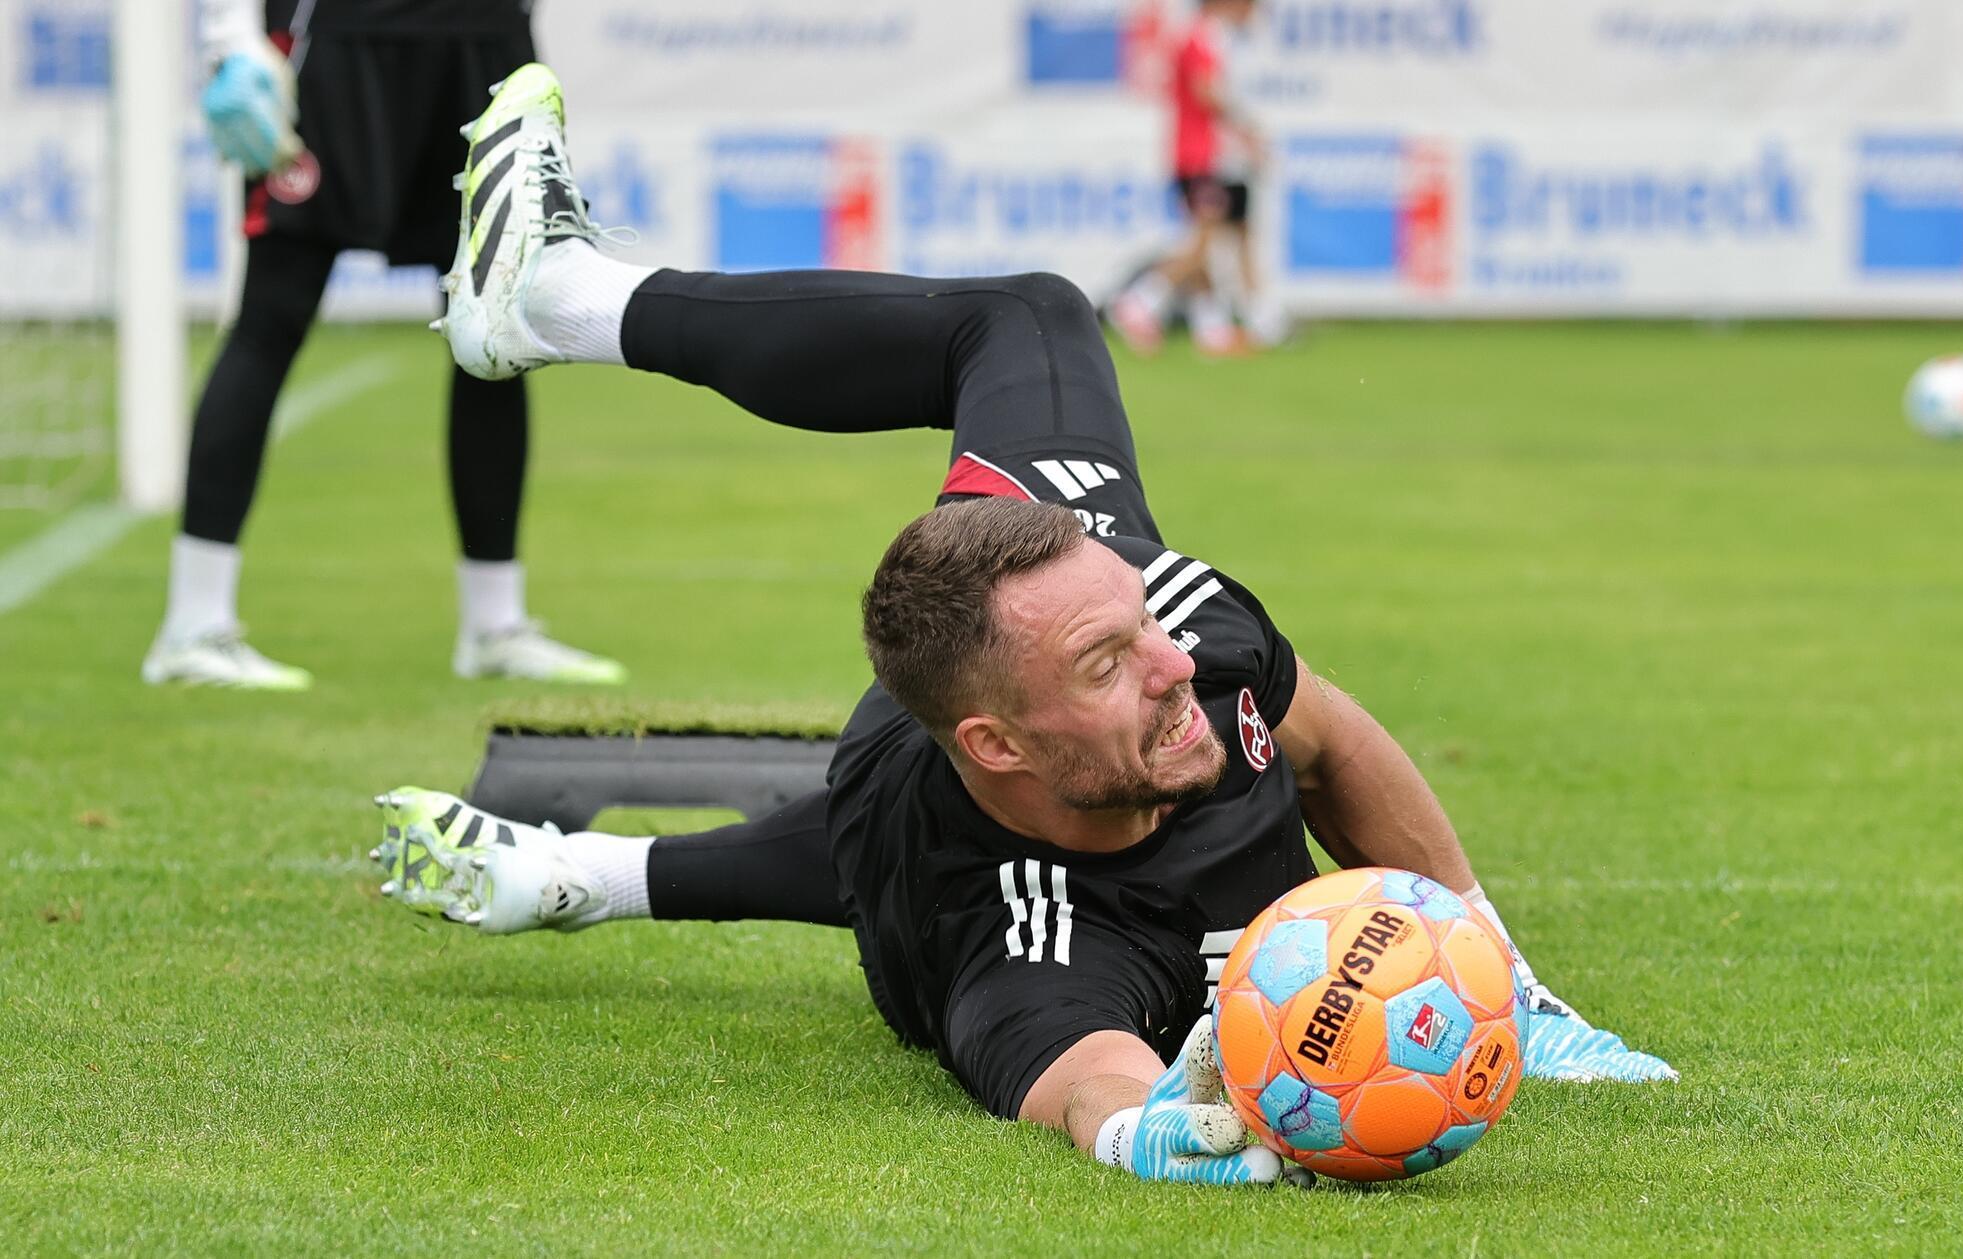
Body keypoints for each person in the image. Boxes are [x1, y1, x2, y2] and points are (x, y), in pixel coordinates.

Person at [371, 63, 1673, 1187]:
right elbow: (1082, 1073)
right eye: (1116, 663)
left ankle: (559, 297)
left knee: (1034, 313)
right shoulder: (1012, 925)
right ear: (994, 741)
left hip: (1015, 651)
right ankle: (583, 878)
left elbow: (1325, 738)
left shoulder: (1169, 619)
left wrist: (1498, 968)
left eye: (1139, 627)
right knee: (839, 854)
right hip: (934, 816)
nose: (1178, 669)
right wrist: (1146, 1132)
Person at [143, 0, 622, 690]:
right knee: (271, 319)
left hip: (485, 41)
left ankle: (495, 624)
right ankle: (192, 624)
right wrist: (232, 39)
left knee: (497, 330)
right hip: (337, 34)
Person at [1109, 0, 1286, 355]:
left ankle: (1218, 329)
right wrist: (1247, 130)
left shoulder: (1213, 36)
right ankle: (1138, 302)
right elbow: (1206, 91)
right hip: (1202, 157)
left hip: (1213, 156)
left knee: (1229, 234)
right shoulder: (1202, 35)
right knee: (1205, 238)